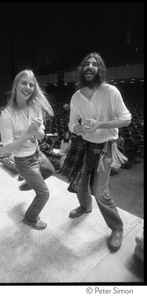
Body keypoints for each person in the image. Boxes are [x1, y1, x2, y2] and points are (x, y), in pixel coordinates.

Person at [67, 52, 131, 251]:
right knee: (79, 184)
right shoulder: (76, 97)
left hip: (105, 148)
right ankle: (85, 207)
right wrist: (80, 129)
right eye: (87, 63)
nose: (90, 66)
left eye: (95, 64)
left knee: (99, 191)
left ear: (99, 69)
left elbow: (126, 118)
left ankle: (117, 227)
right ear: (82, 69)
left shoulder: (111, 91)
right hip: (85, 146)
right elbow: (72, 124)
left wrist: (100, 125)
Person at [0, 69, 55, 230]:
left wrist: (36, 131)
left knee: (50, 170)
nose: (28, 87)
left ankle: (28, 183)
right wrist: (27, 134)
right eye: (24, 82)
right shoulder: (7, 115)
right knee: (44, 194)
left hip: (36, 152)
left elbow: (42, 136)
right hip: (23, 161)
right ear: (16, 85)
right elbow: (7, 149)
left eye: (31, 84)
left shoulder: (35, 106)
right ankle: (30, 218)